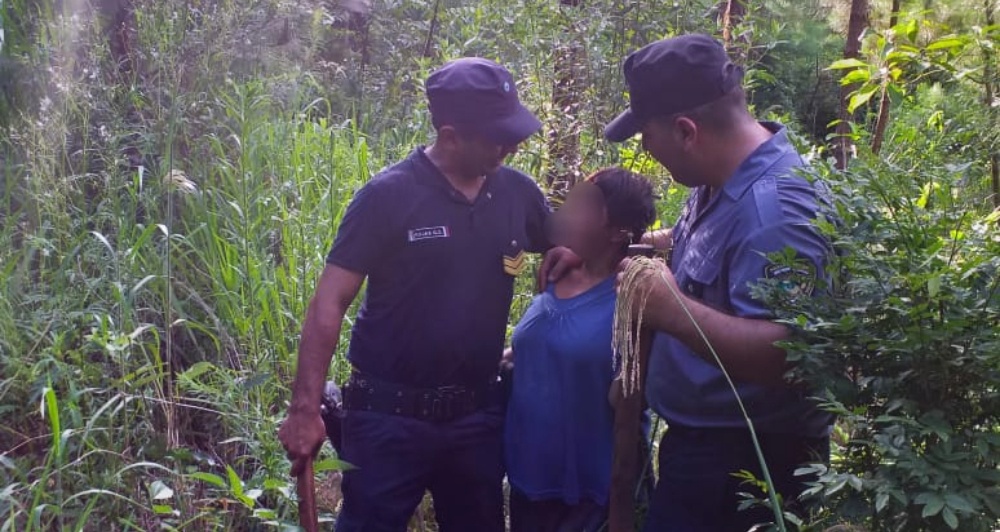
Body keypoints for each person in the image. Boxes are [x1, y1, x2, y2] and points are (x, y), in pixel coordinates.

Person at [277, 57, 551, 532]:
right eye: (497, 136)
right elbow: (330, 302)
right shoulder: (388, 197)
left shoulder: (516, 193)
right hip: (388, 419)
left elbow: (570, 243)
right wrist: (304, 410)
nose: (512, 145)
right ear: (449, 136)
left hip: (477, 419)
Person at [603, 34, 836, 531]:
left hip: (746, 473)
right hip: (703, 456)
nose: (645, 148)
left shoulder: (778, 211)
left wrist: (673, 310)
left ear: (686, 131)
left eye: (647, 134)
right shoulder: (722, 177)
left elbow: (794, 355)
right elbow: (712, 247)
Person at [504, 169, 656, 532]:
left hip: (590, 494)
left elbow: (629, 402)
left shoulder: (634, 300)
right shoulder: (554, 274)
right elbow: (543, 349)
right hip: (528, 477)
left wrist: (620, 511)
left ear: (619, 231)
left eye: (587, 207)